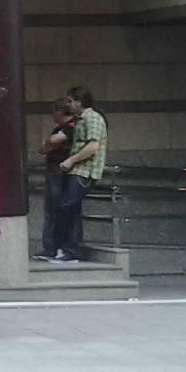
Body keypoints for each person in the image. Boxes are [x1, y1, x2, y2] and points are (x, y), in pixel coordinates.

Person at [51, 86, 107, 263]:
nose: (68, 105)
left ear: (79, 102)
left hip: (85, 171)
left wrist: (71, 160)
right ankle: (67, 248)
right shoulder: (82, 120)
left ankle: (68, 248)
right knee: (71, 209)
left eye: (70, 101)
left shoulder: (92, 118)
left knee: (66, 207)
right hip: (77, 170)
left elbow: (93, 146)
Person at [38, 101, 75, 260]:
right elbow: (43, 148)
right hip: (54, 171)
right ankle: (51, 247)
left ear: (60, 111)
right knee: (51, 211)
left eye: (54, 111)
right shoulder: (59, 129)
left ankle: (62, 247)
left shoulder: (72, 126)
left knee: (60, 210)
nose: (52, 115)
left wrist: (50, 142)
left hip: (63, 171)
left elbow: (53, 141)